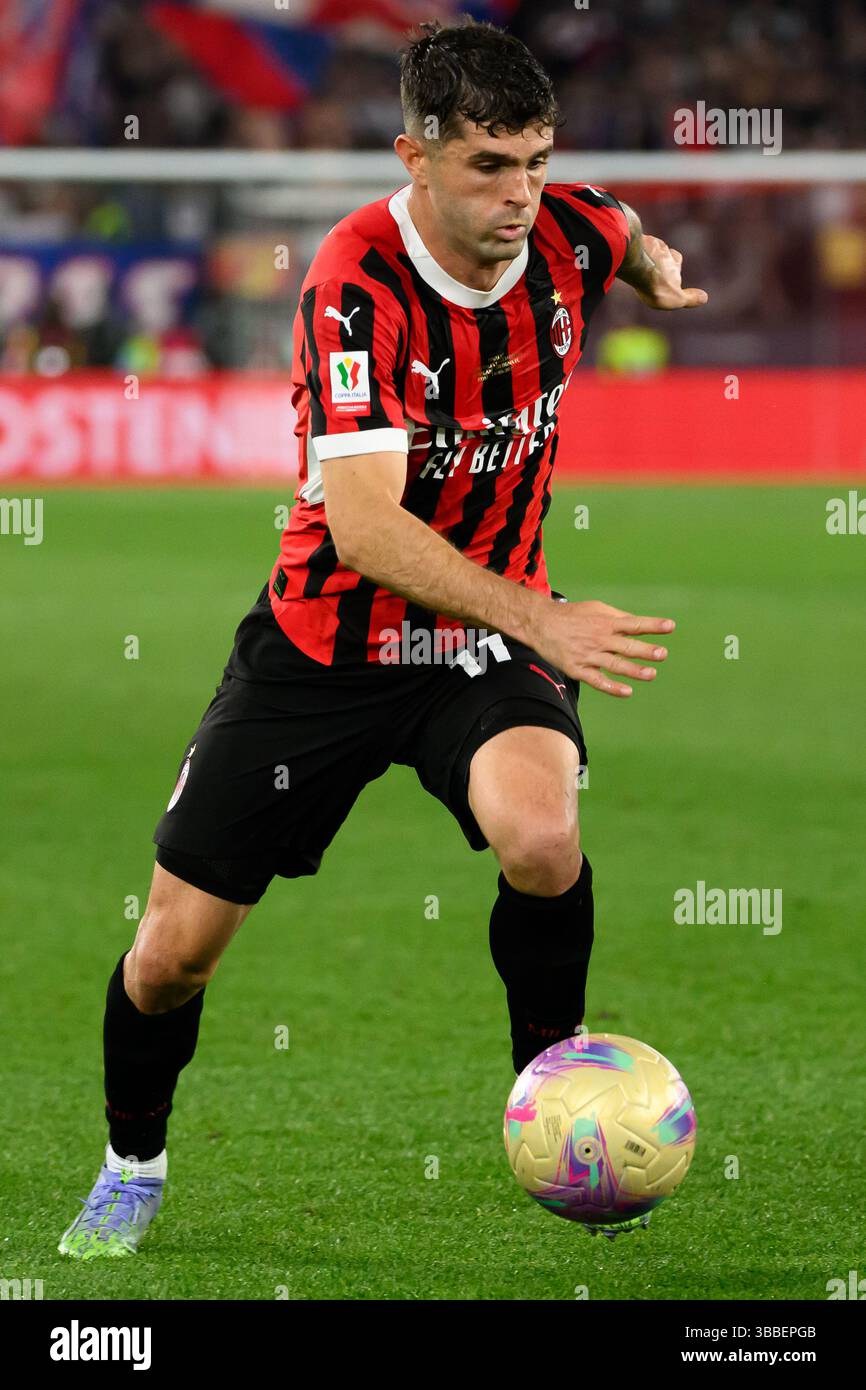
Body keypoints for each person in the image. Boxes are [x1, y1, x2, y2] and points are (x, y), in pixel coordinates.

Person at [59, 17, 706, 1260]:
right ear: (413, 155)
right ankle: (130, 1162)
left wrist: (658, 268)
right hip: (325, 647)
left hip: (478, 640)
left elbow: (617, 228)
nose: (518, 193)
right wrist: (544, 618)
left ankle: (553, 1102)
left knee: (541, 828)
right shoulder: (353, 283)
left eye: (532, 159)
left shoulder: (565, 228)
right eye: (485, 166)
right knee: (170, 957)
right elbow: (361, 527)